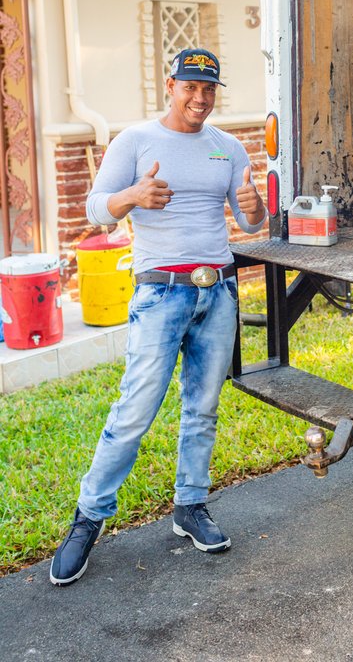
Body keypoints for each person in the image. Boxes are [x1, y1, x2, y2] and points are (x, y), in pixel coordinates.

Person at [50, 48, 267, 586]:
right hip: (160, 295)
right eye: (190, 87)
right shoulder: (136, 141)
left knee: (203, 408)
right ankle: (88, 518)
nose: (200, 98)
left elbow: (249, 220)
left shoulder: (229, 147)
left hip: (217, 291)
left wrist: (255, 203)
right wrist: (133, 195)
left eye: (209, 89)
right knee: (133, 412)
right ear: (170, 85)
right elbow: (94, 211)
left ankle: (189, 506)